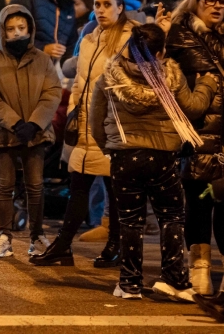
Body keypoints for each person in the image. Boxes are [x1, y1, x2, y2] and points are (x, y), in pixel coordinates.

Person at [89, 23, 214, 301]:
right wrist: (206, 83)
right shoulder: (170, 76)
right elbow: (193, 107)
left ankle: (129, 284)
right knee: (171, 216)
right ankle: (175, 280)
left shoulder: (110, 76)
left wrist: (110, 148)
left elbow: (95, 121)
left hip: (124, 156)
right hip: (162, 156)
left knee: (130, 221)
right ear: (160, 52)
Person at [31, 0, 136, 268]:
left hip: (113, 128)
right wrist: (75, 113)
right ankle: (64, 246)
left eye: (106, 5)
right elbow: (78, 83)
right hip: (86, 126)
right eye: (97, 5)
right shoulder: (89, 38)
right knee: (78, 184)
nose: (101, 10)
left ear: (120, 7)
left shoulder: (130, 39)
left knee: (115, 189)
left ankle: (115, 245)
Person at [0, 5, 62, 258]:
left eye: (21, 28)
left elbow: (52, 92)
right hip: (5, 133)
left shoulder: (42, 60)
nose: (16, 34)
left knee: (35, 185)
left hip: (35, 133)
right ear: (2, 32)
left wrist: (35, 123)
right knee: (5, 185)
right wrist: (16, 124)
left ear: (30, 29)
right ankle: (4, 235)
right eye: (10, 29)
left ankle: (37, 235)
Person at [166, 0, 224, 295]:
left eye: (222, 1)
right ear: (196, 1)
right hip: (198, 132)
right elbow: (206, 76)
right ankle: (199, 269)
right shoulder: (182, 35)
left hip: (220, 132)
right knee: (199, 203)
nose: (217, 5)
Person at [10, 0, 88, 60]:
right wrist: (42, 49)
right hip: (24, 69)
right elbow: (12, 38)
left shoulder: (68, 6)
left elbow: (70, 45)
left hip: (51, 71)